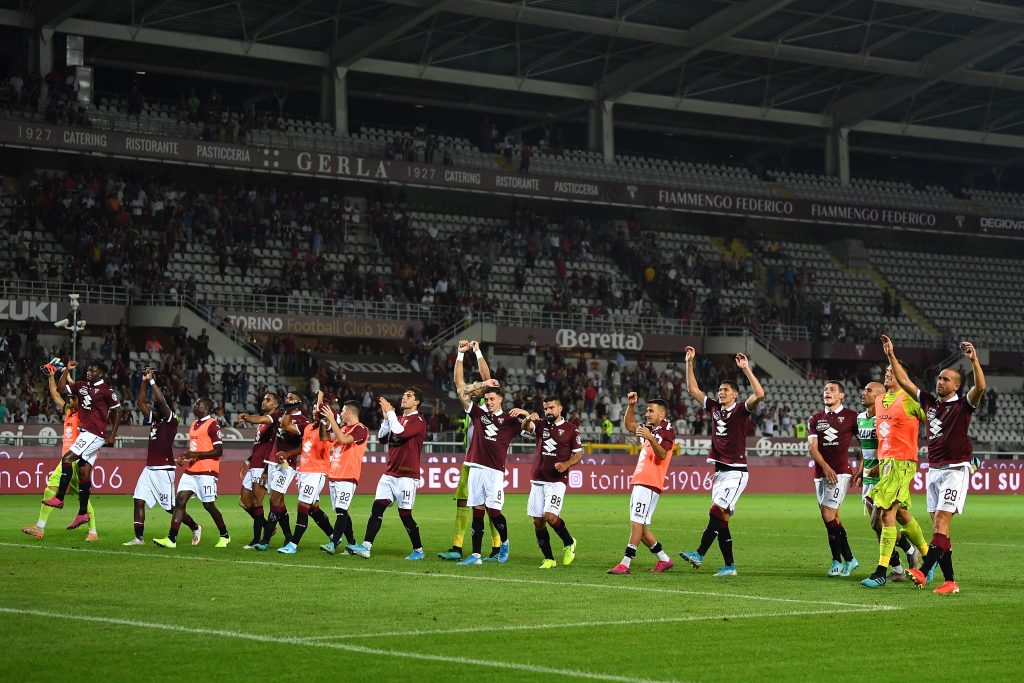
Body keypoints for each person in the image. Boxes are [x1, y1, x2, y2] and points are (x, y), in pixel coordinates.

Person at [897, 341, 986, 595]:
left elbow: (980, 387)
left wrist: (974, 360)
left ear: (956, 385)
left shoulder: (963, 406)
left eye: (946, 379)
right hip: (933, 471)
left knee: (941, 522)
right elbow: (905, 383)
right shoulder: (929, 403)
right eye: (939, 378)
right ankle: (951, 581)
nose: (940, 381)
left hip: (955, 471)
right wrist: (892, 355)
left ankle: (924, 572)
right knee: (940, 530)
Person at [679, 348, 765, 577]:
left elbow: (760, 393)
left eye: (726, 390)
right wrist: (689, 363)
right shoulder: (714, 408)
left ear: (735, 395)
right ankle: (730, 566)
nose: (721, 393)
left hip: (736, 472)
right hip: (720, 472)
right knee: (722, 520)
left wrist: (746, 368)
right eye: (719, 390)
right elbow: (692, 389)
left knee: (715, 511)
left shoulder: (740, 410)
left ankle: (699, 553)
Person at [860, 336, 932, 588]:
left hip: (903, 463)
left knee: (885, 514)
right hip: (887, 464)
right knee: (899, 514)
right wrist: (879, 462)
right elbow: (884, 437)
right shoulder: (880, 401)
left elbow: (935, 420)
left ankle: (882, 570)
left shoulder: (911, 399)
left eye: (891, 372)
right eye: (886, 372)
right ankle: (926, 557)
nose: (887, 374)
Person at [439, 340, 502, 561]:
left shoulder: (488, 406)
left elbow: (488, 380)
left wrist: (477, 351)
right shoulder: (473, 408)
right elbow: (459, 383)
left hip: (488, 463)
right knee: (463, 502)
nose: (477, 386)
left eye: (480, 385)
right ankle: (457, 547)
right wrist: (459, 354)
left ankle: (497, 547)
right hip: (470, 461)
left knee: (489, 506)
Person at [347, 388, 427, 560]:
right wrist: (386, 419)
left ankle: (418, 550)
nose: (404, 398)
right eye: (404, 395)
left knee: (405, 515)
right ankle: (366, 546)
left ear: (417, 402)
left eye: (409, 396)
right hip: (390, 473)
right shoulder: (397, 419)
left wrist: (390, 413)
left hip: (407, 475)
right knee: (377, 507)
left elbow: (400, 433)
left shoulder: (418, 420)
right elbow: (383, 438)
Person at [123, 368, 200, 546]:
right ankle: (139, 538)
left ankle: (195, 526)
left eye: (156, 407)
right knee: (138, 500)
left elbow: (161, 401)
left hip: (164, 469)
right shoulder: (155, 420)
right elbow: (140, 402)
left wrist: (152, 381)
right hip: (149, 469)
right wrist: (143, 381)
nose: (153, 408)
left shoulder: (171, 420)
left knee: (171, 507)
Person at [22, 365, 98, 540]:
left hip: (77, 458)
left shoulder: (85, 415)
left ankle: (41, 528)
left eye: (73, 398)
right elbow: (55, 394)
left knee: (66, 494)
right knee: (64, 493)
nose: (70, 400)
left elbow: (84, 394)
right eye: (70, 398)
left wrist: (68, 375)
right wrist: (51, 376)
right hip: (68, 459)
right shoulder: (69, 411)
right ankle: (90, 532)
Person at [43, 361, 122, 531]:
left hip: (95, 434)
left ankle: (60, 498)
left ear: (100, 373)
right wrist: (67, 372)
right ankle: (82, 513)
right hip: (87, 434)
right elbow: (61, 390)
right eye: (88, 369)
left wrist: (113, 434)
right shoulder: (81, 385)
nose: (89, 372)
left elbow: (117, 411)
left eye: (93, 369)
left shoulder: (106, 391)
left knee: (67, 458)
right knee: (83, 472)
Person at [455, 378, 526, 566]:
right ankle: (476, 555)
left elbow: (532, 429)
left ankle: (504, 543)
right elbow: (462, 393)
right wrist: (481, 384)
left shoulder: (510, 420)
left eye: (492, 399)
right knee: (477, 511)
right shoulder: (478, 414)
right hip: (476, 467)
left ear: (501, 399)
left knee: (494, 512)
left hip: (494, 471)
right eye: (486, 399)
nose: (489, 402)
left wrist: (526, 414)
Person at [607, 393, 676, 575]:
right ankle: (664, 559)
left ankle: (625, 563)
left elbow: (662, 455)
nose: (646, 413)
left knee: (637, 523)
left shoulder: (666, 430)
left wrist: (650, 437)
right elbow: (629, 425)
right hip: (642, 480)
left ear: (661, 414)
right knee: (642, 528)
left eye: (650, 411)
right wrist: (631, 406)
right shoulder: (649, 428)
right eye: (646, 410)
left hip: (650, 482)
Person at [153, 398, 230, 548]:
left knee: (208, 505)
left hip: (207, 471)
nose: (195, 406)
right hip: (191, 470)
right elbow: (195, 449)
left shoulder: (213, 425)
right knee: (180, 501)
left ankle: (224, 535)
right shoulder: (194, 424)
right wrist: (186, 456)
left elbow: (219, 451)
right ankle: (171, 539)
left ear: (206, 408)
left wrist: (194, 455)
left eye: (198, 404)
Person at [520, 396, 583, 569]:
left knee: (550, 516)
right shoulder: (540, 425)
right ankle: (549, 558)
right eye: (546, 408)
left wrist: (566, 464)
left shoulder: (571, 430)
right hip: (538, 479)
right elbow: (526, 427)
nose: (548, 411)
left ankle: (569, 543)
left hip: (556, 481)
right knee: (537, 521)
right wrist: (527, 418)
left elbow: (578, 454)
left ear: (560, 409)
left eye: (551, 408)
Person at [806, 381, 860, 577]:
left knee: (827, 514)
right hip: (821, 474)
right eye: (825, 390)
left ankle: (847, 558)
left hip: (841, 472)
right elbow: (813, 447)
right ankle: (839, 560)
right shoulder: (815, 418)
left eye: (832, 390)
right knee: (833, 517)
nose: (827, 392)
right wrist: (825, 467)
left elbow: (866, 444)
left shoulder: (852, 417)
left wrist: (860, 469)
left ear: (841, 395)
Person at [278, 395, 336, 554]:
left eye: (318, 409)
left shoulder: (329, 426)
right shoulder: (308, 427)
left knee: (302, 506)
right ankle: (334, 536)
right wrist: (290, 409)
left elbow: (325, 437)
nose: (314, 411)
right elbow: (285, 425)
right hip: (304, 471)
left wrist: (323, 418)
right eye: (314, 409)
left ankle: (293, 545)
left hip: (316, 472)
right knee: (313, 509)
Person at [257, 392, 307, 548]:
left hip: (287, 465)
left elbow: (303, 446)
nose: (288, 400)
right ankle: (288, 535)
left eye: (292, 398)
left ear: (299, 402)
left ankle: (265, 540)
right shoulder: (281, 415)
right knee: (279, 502)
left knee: (274, 500)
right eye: (287, 398)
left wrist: (288, 454)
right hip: (273, 463)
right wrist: (266, 467)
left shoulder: (303, 421)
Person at [320, 400, 368, 555]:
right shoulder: (343, 428)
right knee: (343, 511)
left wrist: (332, 420)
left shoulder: (360, 429)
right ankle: (352, 543)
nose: (340, 413)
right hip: (334, 475)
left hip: (348, 476)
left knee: (341, 510)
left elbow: (343, 440)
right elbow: (325, 438)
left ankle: (333, 544)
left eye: (342, 411)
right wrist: (323, 421)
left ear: (349, 411)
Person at [236, 392, 281, 550]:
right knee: (244, 501)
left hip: (263, 466)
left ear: (275, 405)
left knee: (257, 502)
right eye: (263, 399)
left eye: (268, 400)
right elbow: (259, 446)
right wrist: (247, 461)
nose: (264, 401)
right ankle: (268, 526)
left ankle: (257, 540)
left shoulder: (273, 419)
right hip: (254, 464)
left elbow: (273, 448)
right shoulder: (263, 423)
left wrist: (246, 417)